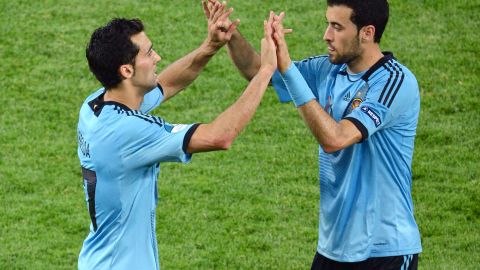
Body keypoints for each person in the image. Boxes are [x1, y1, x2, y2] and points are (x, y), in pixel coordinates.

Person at [205, 0, 422, 269]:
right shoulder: (327, 70)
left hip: (383, 250)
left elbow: (336, 139)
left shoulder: (394, 81)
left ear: (367, 33)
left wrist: (287, 69)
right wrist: (231, 34)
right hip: (333, 248)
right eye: (327, 24)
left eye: (337, 27)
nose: (326, 35)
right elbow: (257, 70)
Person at [76, 4, 278, 269]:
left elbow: (168, 84)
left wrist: (210, 46)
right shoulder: (126, 132)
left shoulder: (96, 105)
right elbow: (220, 136)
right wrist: (265, 72)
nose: (157, 57)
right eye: (149, 53)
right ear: (126, 70)